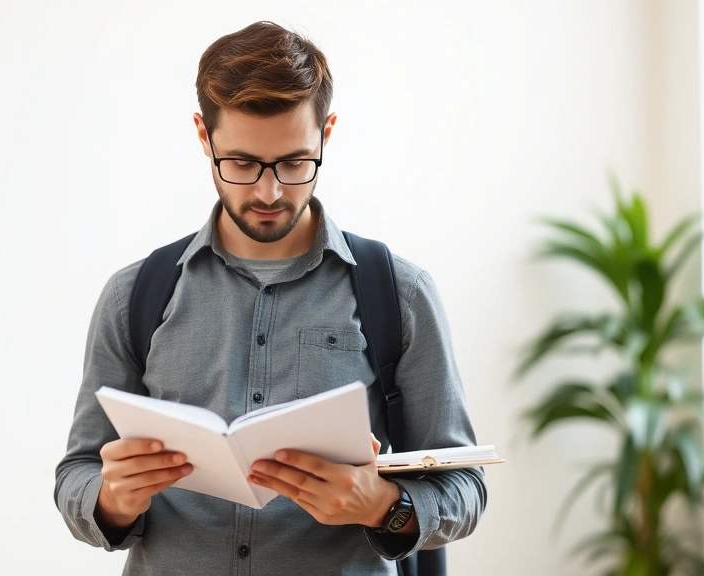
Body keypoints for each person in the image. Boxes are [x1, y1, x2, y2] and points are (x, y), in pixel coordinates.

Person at [54, 20, 487, 576]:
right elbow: (77, 473)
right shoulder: (133, 295)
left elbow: (464, 484)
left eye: (293, 162)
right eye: (240, 163)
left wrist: (383, 505)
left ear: (326, 135)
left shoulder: (399, 294)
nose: (268, 191)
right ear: (203, 137)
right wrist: (112, 499)